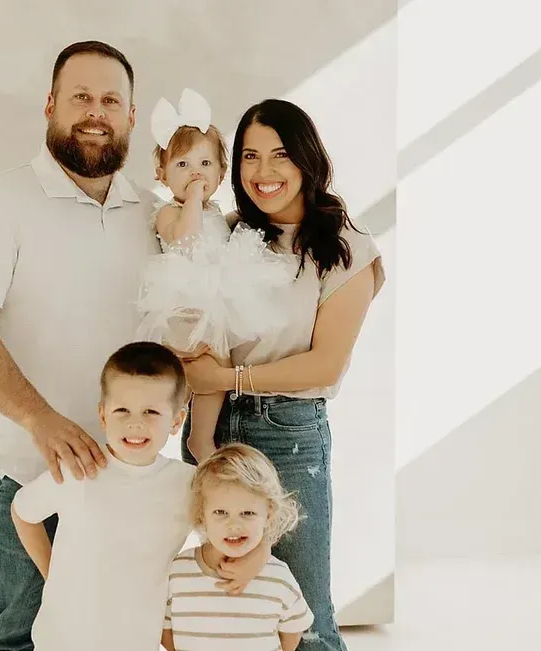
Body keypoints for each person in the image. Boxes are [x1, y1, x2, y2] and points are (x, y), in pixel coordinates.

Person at [0, 41, 159, 651]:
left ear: (132, 116)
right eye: (80, 96)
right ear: (51, 106)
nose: (96, 111)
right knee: (10, 638)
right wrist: (40, 419)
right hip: (29, 477)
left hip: (130, 485)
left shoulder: (155, 216)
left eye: (111, 99)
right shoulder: (1, 202)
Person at [180, 99, 386, 651]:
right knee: (217, 599)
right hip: (211, 426)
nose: (263, 173)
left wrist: (224, 377)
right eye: (249, 156)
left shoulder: (346, 249)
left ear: (306, 160)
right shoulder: (225, 234)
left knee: (303, 612)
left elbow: (324, 364)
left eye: (279, 155)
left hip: (288, 431)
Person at [11, 342, 271, 651]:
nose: (135, 423)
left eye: (151, 412)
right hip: (62, 641)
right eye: (122, 410)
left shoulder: (188, 484)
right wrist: (50, 573)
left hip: (137, 640)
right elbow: (23, 512)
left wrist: (260, 554)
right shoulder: (78, 470)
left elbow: (235, 520)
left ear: (176, 421)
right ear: (103, 416)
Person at [137, 88, 291, 464]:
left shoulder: (219, 212)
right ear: (161, 173)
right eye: (182, 166)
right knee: (208, 365)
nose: (195, 174)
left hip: (212, 300)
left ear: (222, 173)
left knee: (219, 365)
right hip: (185, 303)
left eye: (205, 165)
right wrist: (191, 197)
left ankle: (199, 433)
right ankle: (197, 438)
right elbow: (186, 238)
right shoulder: (167, 212)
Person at [162, 443, 314, 651]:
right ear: (202, 515)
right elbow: (165, 628)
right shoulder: (179, 571)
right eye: (221, 512)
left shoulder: (278, 576)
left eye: (248, 513)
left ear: (268, 516)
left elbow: (293, 629)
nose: (233, 525)